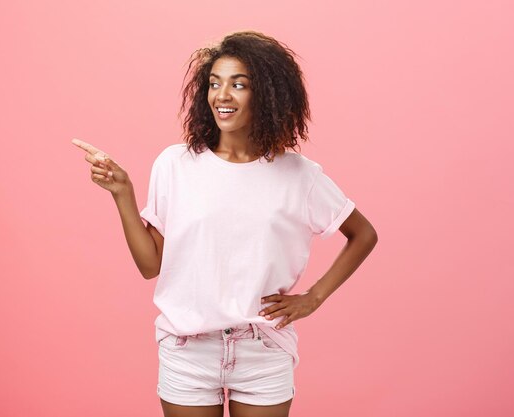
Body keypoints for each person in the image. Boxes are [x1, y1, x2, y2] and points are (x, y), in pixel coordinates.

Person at [72, 30, 378, 417]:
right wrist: (123, 194)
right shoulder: (175, 164)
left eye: (239, 85)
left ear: (267, 95)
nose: (222, 95)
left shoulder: (299, 175)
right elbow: (151, 266)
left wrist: (313, 298)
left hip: (262, 348)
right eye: (215, 84)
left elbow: (363, 234)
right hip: (188, 348)